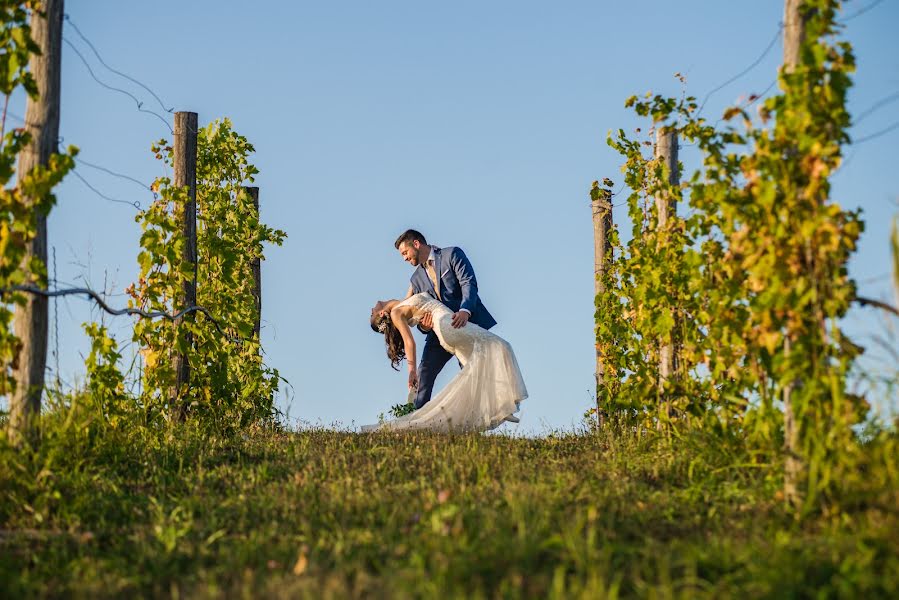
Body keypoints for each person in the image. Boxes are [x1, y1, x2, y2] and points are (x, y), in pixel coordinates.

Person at [364, 291, 526, 432]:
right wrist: (412, 371)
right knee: (501, 346)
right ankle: (504, 403)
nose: (371, 309)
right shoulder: (395, 314)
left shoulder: (402, 302)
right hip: (447, 324)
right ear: (381, 314)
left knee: (476, 368)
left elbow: (415, 279)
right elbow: (409, 342)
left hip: (445, 331)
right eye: (372, 314)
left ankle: (499, 408)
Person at [393, 229, 496, 409]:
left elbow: (468, 282)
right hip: (439, 333)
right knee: (424, 373)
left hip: (467, 323)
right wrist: (424, 327)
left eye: (405, 253)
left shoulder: (452, 254)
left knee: (471, 376)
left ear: (416, 244)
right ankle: (416, 420)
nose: (404, 258)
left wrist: (465, 310)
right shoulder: (416, 279)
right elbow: (418, 311)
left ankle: (473, 421)